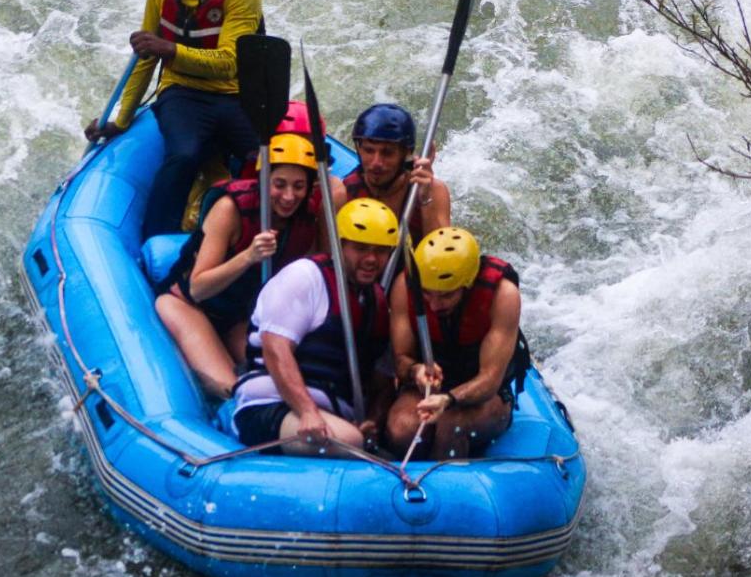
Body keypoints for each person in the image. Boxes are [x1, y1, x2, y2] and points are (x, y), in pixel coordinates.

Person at [85, 0, 264, 238]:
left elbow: (228, 62)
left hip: (234, 93)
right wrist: (121, 121)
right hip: (182, 92)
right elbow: (144, 60)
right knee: (184, 155)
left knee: (266, 160)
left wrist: (170, 50)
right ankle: (157, 236)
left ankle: (255, 229)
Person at [155, 133, 325, 398]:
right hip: (189, 305)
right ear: (263, 180)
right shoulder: (229, 209)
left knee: (280, 384)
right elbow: (198, 288)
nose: (289, 196)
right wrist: (248, 256)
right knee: (230, 389)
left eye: (299, 186)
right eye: (279, 184)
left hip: (239, 317)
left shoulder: (306, 218)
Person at [231, 199, 398, 455]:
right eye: (361, 248)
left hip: (332, 415)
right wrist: (307, 411)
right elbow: (275, 349)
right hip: (270, 404)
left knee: (360, 439)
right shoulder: (304, 277)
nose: (371, 259)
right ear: (339, 245)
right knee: (349, 440)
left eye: (381, 251)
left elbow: (382, 380)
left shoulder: (376, 301)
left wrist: (373, 420)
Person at [384, 227, 528, 460]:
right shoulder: (405, 285)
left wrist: (448, 399)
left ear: (467, 283)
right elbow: (400, 359)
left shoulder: (503, 295)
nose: (434, 305)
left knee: (452, 425)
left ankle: (448, 475)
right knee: (401, 429)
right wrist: (415, 370)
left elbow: (490, 380)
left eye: (446, 295)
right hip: (428, 387)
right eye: (427, 294)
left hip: (485, 395)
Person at [331, 104, 451, 242]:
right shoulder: (344, 193)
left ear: (406, 153)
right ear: (359, 149)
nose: (376, 162)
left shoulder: (432, 191)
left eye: (387, 153)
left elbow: (442, 249)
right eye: (369, 150)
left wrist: (425, 201)